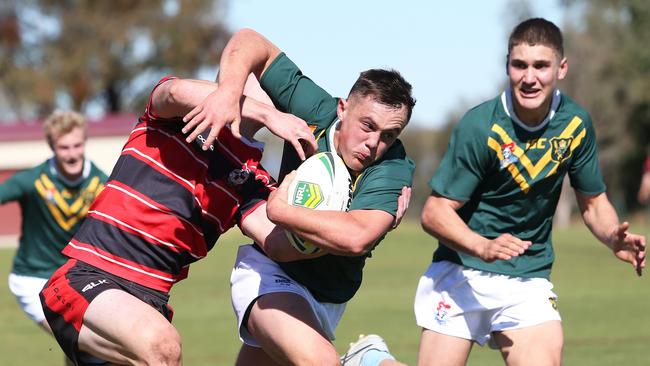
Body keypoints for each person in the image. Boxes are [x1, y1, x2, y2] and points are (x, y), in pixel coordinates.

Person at [39, 75, 319, 365]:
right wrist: (269, 114)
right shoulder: (174, 118)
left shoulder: (252, 179)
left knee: (160, 343)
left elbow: (281, 245)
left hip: (149, 304)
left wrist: (310, 211)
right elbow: (174, 92)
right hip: (88, 276)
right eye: (249, 73)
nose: (260, 84)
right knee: (163, 344)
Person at [416, 18, 646, 366]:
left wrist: (613, 235)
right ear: (507, 65)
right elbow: (434, 212)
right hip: (460, 272)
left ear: (562, 68)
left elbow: (594, 203)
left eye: (541, 66)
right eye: (519, 65)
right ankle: (373, 359)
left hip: (527, 278)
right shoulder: (481, 126)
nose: (529, 77)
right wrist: (482, 245)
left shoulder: (574, 124)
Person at [184, 28, 415, 366]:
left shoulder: (392, 166)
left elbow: (355, 237)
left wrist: (281, 209)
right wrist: (228, 94)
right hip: (270, 273)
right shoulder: (316, 110)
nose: (373, 143)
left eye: (389, 134)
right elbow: (250, 41)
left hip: (328, 299)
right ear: (343, 109)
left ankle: (358, 357)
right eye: (367, 125)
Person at [0, 110, 107, 335]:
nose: (72, 154)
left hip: (76, 278)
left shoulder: (100, 184)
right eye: (64, 147)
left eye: (77, 146)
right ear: (51, 147)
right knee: (81, 340)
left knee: (87, 347)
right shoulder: (33, 181)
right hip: (33, 279)